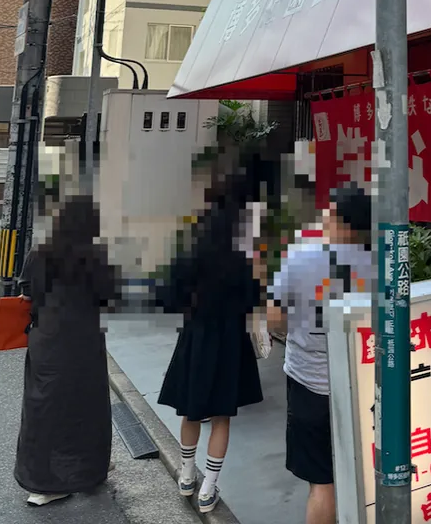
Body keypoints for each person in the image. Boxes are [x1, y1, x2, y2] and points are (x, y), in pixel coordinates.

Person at [268, 182, 374, 524]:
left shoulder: (301, 257)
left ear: (342, 221)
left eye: (330, 211)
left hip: (309, 384)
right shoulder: (378, 262)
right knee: (362, 472)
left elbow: (274, 319)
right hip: (361, 385)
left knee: (321, 481)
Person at [157, 176, 264, 515]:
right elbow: (254, 299)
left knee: (190, 409)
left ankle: (187, 475)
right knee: (221, 415)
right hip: (230, 340)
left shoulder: (190, 245)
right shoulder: (241, 252)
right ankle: (208, 488)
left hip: (196, 335)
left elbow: (168, 296)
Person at [15, 194, 120, 508]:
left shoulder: (39, 252)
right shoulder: (97, 257)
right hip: (84, 342)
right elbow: (111, 299)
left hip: (47, 340)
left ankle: (42, 483)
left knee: (44, 409)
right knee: (86, 409)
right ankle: (87, 472)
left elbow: (26, 296)